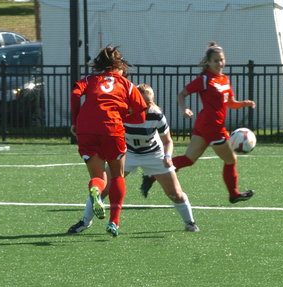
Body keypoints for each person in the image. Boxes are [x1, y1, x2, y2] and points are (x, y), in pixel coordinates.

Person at [69, 83, 199, 234]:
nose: (144, 107)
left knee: (175, 194)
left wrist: (167, 156)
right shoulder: (121, 112)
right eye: (141, 102)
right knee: (102, 189)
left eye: (148, 103)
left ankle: (190, 222)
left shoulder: (156, 115)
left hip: (153, 154)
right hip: (128, 153)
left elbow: (168, 141)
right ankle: (85, 221)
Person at [141, 42, 255, 204]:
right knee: (231, 160)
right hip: (212, 126)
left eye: (221, 60)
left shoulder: (224, 80)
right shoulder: (204, 79)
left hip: (207, 125)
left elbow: (230, 103)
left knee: (188, 159)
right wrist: (184, 109)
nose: (219, 63)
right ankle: (234, 194)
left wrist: (243, 103)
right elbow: (182, 94)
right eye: (216, 61)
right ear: (208, 62)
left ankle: (152, 175)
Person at [69, 46, 147, 237]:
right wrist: (123, 117)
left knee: (98, 176)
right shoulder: (126, 84)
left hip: (87, 128)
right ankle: (114, 222)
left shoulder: (90, 79)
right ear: (120, 66)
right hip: (112, 129)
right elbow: (141, 114)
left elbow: (75, 94)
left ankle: (96, 190)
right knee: (117, 176)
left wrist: (75, 121)